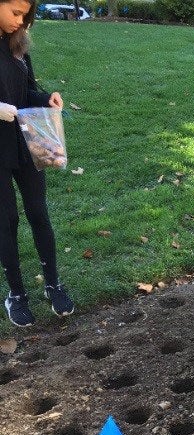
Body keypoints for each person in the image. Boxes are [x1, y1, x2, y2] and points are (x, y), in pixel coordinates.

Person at [0, 0, 73, 326]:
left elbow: (27, 90)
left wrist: (46, 98)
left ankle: (53, 284)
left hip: (27, 145)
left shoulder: (17, 47)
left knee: (38, 213)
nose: (21, 21)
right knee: (7, 219)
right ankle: (15, 294)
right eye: (16, 12)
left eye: (25, 16)